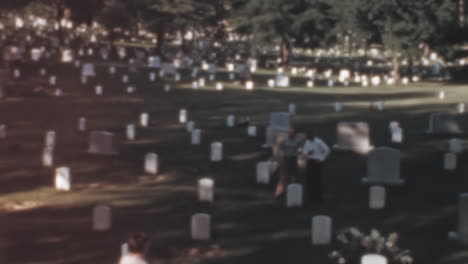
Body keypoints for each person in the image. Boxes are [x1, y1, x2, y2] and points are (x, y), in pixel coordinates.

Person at [301, 135, 330, 203]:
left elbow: (327, 150)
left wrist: (322, 158)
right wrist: (308, 153)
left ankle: (318, 197)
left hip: (317, 161)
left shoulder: (318, 141)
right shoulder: (307, 142)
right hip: (310, 161)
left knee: (317, 179)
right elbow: (304, 152)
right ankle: (311, 197)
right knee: (310, 179)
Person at [275, 128, 302, 198]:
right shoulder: (285, 141)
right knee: (284, 176)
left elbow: (301, 149)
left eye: (292, 133)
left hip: (293, 159)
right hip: (286, 159)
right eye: (289, 133)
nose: (291, 134)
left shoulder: (298, 141)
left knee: (294, 175)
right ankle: (280, 192)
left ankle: (293, 192)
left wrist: (299, 153)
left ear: (294, 134)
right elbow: (279, 148)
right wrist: (280, 158)